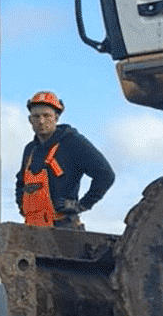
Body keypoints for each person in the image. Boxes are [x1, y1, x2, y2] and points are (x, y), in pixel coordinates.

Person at [15, 91, 114, 229]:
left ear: (56, 117)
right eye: (36, 116)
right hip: (32, 228)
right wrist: (22, 207)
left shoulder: (73, 142)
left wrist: (82, 205)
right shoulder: (30, 150)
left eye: (47, 115)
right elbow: (21, 183)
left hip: (64, 229)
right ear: (30, 120)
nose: (41, 121)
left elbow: (105, 174)